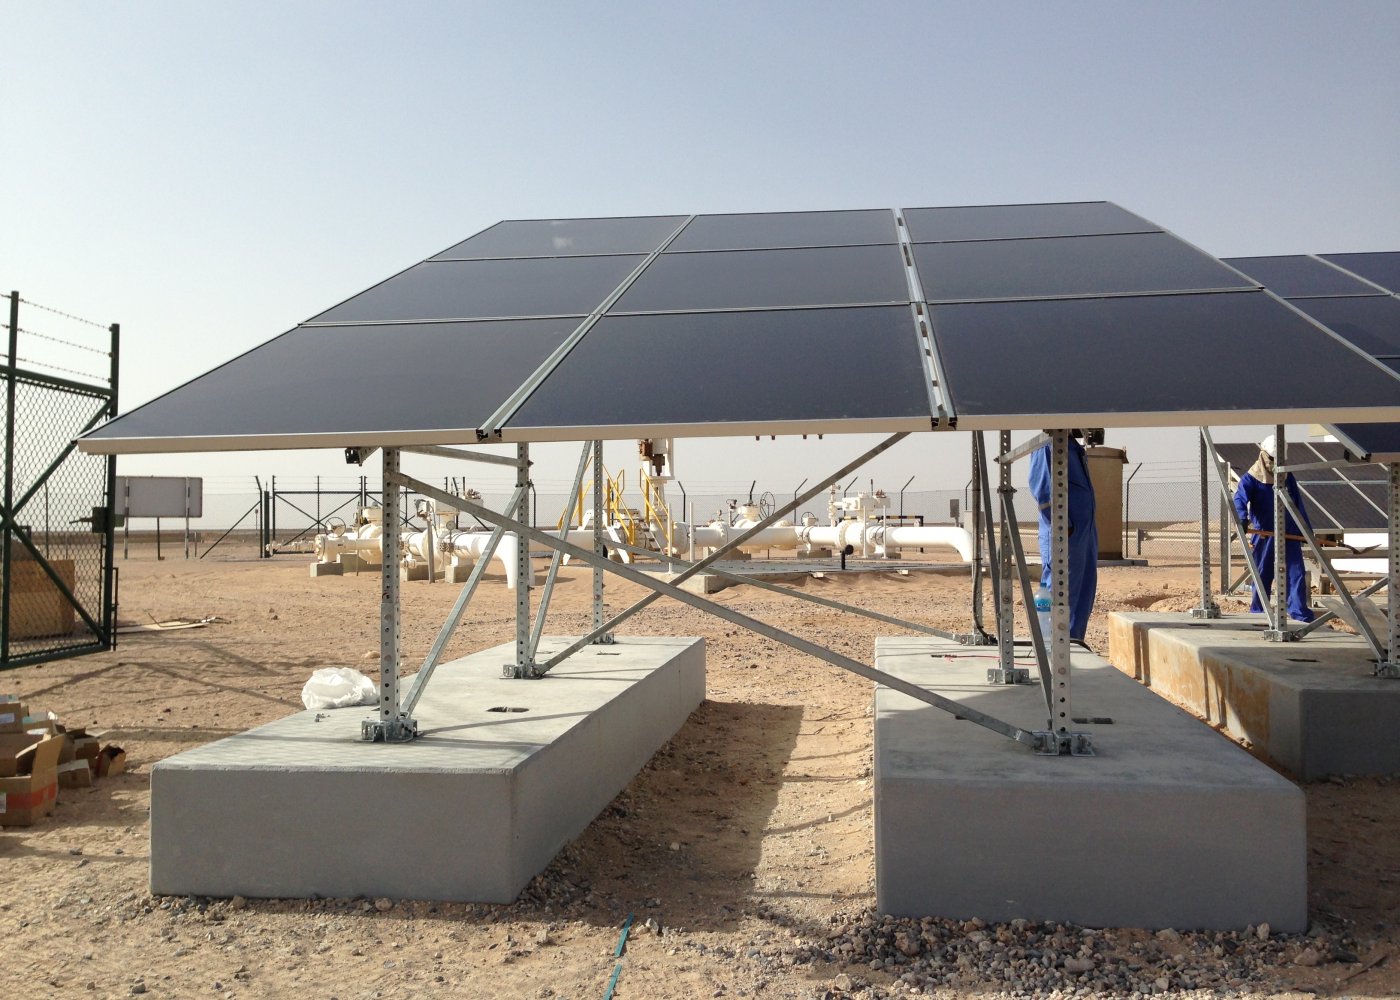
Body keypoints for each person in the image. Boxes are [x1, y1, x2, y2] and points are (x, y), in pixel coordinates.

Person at [1233, 434, 1314, 623]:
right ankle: (1259, 614)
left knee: (1296, 574)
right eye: (1273, 459)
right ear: (1264, 455)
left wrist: (1305, 530)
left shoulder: (1287, 477)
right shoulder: (1251, 478)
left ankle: (1299, 614)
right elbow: (1239, 499)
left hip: (1288, 534)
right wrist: (1242, 518)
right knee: (1263, 574)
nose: (1276, 464)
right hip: (1265, 535)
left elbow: (1297, 504)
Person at [1028, 431, 1098, 641]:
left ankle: (1074, 642)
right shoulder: (1046, 446)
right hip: (1065, 532)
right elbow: (1043, 492)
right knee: (1060, 589)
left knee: (1083, 589)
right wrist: (1063, 526)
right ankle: (1053, 645)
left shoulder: (1073, 447)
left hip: (1083, 533)